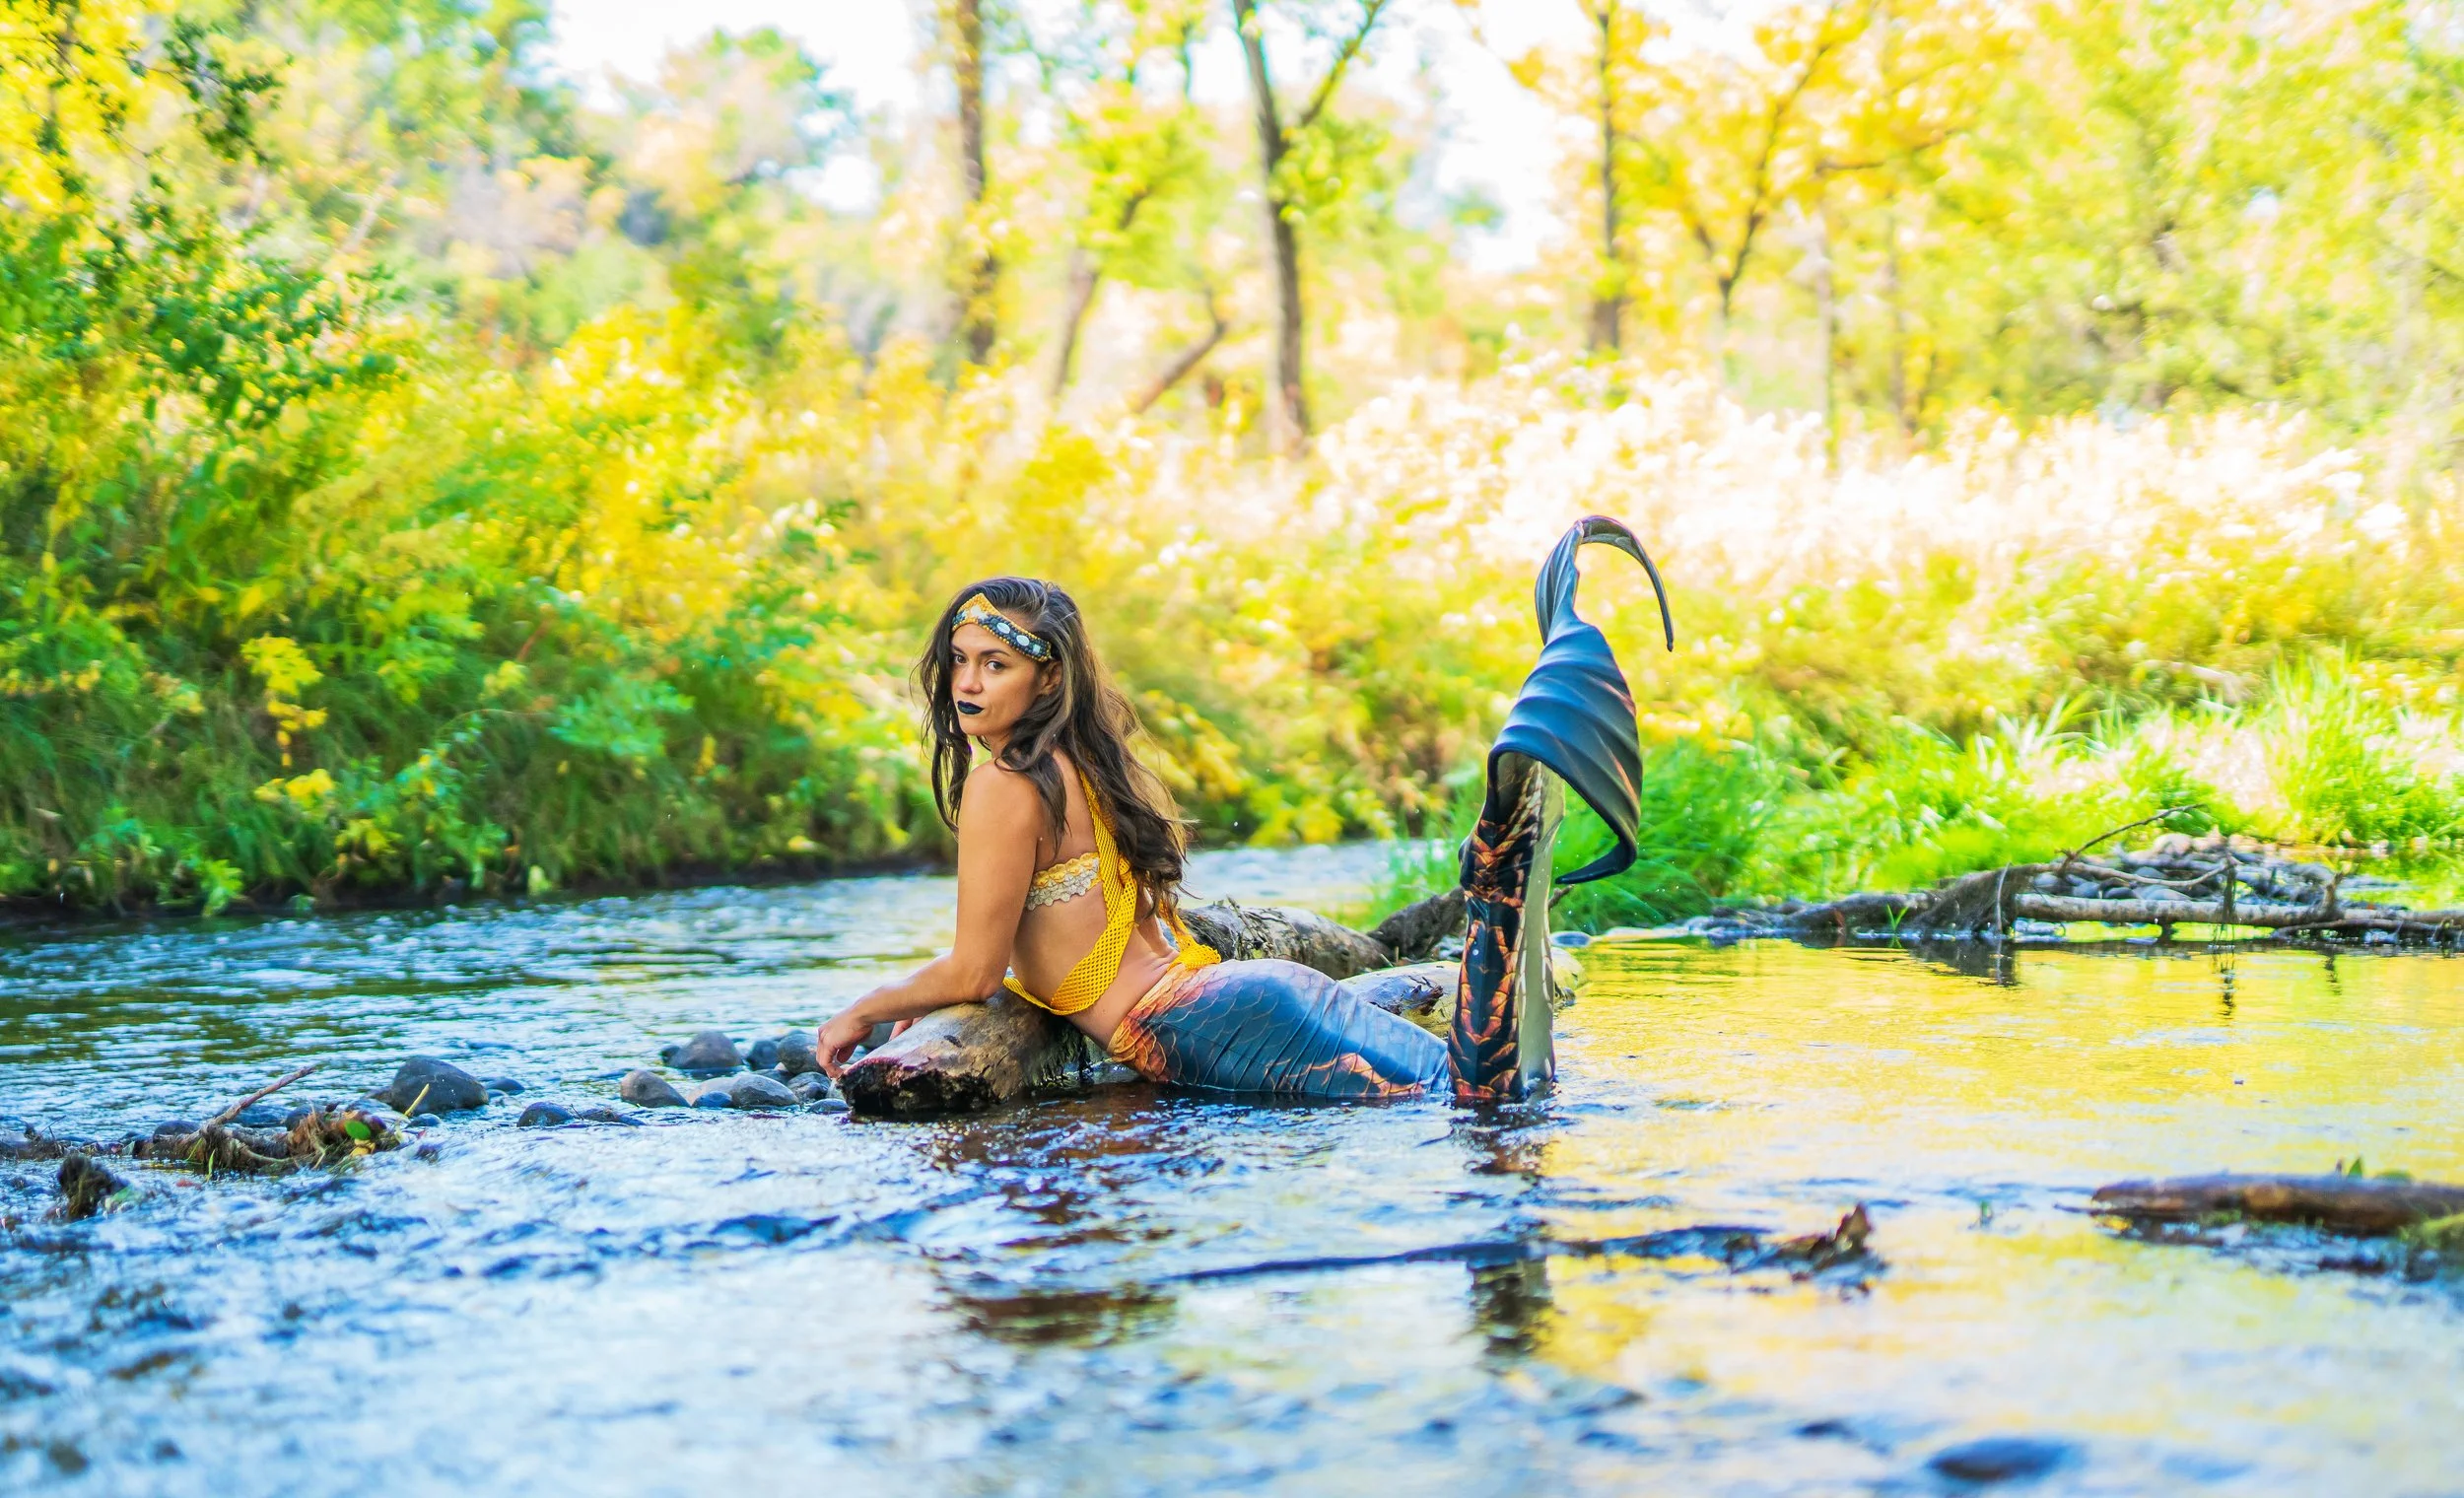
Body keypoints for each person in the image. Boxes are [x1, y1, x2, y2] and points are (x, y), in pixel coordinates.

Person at [813, 577, 1453, 1099]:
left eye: (995, 664)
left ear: (1049, 679)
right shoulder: (1080, 763)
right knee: (1473, 1087)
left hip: (1206, 1021)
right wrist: (924, 995)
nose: (968, 683)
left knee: (1463, 1105)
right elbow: (1005, 958)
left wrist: (865, 1008)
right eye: (960, 660)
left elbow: (976, 971)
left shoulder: (1003, 786)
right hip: (1243, 1000)